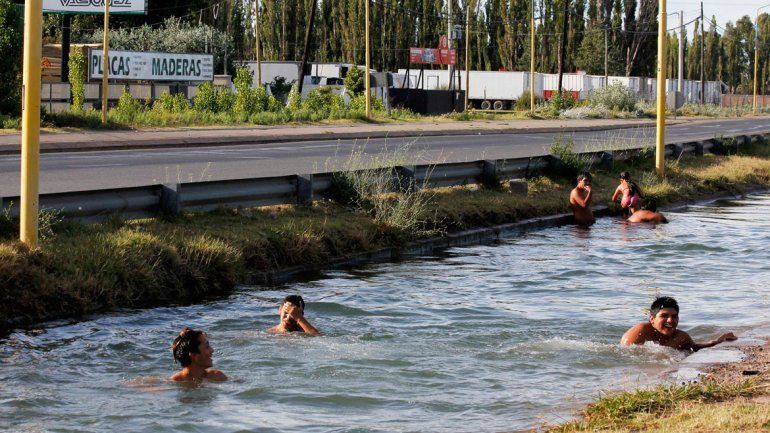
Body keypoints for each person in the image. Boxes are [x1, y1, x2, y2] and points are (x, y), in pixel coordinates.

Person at [620, 297, 737, 351]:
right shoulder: (640, 332)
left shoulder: (681, 337)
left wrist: (719, 341)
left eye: (674, 316)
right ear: (652, 319)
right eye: (664, 316)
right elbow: (622, 354)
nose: (670, 320)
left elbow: (695, 347)